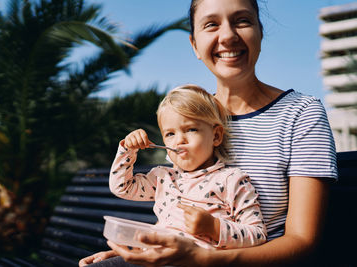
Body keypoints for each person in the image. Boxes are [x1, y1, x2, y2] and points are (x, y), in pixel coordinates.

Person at [80, 0, 338, 266]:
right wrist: (142, 253)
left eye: (242, 21)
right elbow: (175, 209)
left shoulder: (301, 113)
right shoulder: (189, 119)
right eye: (211, 24)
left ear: (260, 32)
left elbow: (302, 242)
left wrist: (202, 259)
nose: (227, 36)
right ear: (194, 45)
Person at [80, 85, 267, 266]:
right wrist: (127, 150)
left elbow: (257, 234)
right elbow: (122, 187)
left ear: (216, 136)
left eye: (191, 129)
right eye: (170, 134)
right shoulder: (163, 177)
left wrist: (214, 227)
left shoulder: (231, 180)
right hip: (151, 258)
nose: (179, 140)